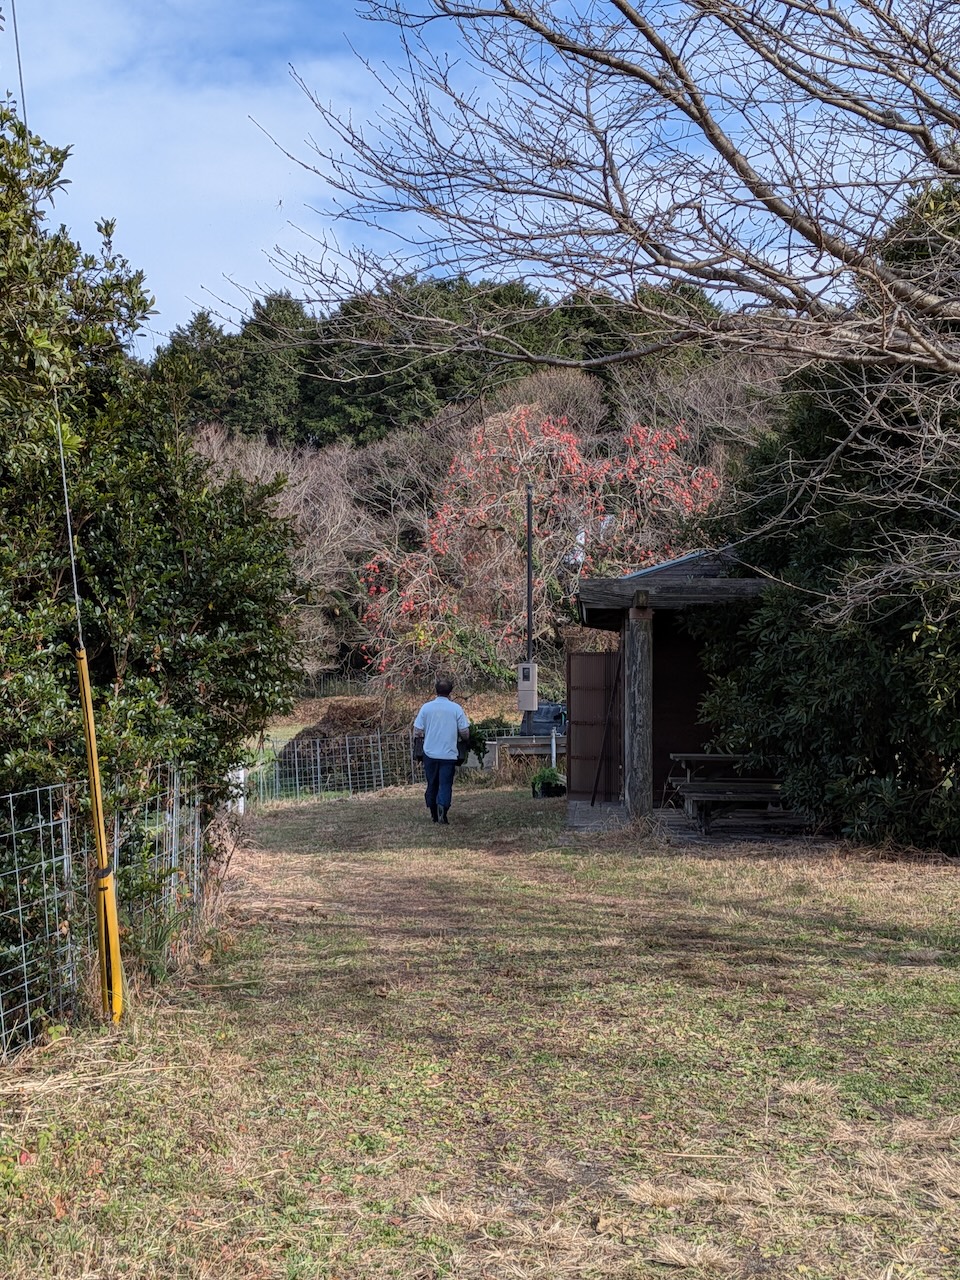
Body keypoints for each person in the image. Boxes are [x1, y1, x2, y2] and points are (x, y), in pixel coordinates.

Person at [413, 677, 470, 824]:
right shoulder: (456, 708)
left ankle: (432, 811)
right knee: (445, 783)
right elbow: (464, 731)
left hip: (429, 753)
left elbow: (417, 731)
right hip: (448, 754)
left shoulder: (426, 708)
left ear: (436, 690)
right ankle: (443, 810)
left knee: (432, 783)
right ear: (450, 692)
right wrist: (465, 739)